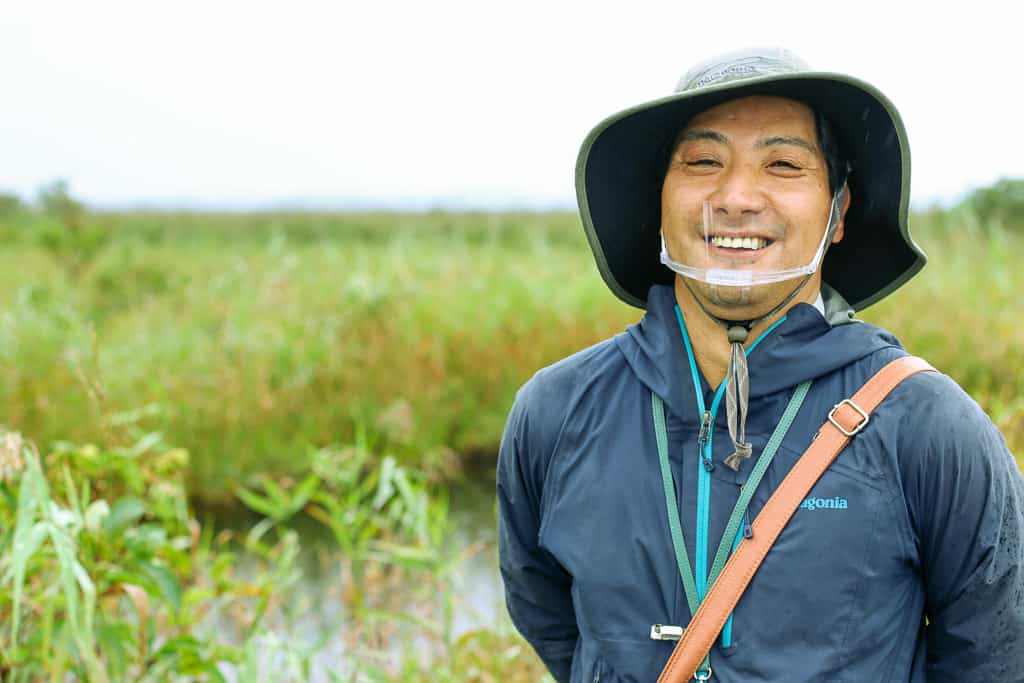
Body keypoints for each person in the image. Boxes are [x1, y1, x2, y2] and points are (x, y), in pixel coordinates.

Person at [496, 48, 1024, 682]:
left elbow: (995, 653)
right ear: (658, 200)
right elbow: (553, 623)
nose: (737, 196)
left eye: (783, 164)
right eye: (703, 162)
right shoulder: (557, 413)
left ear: (838, 211)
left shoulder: (925, 425)